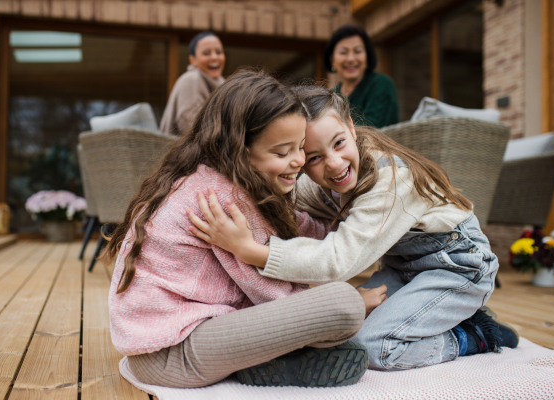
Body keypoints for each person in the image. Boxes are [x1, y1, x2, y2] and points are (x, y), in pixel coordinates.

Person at [188, 85, 519, 373]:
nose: (333, 163)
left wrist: (248, 250)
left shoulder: (390, 181)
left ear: (351, 126)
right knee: (348, 328)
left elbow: (338, 261)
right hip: (404, 270)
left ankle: (473, 333)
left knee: (376, 346)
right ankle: (441, 315)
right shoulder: (321, 184)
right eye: (314, 157)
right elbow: (280, 192)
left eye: (338, 143)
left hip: (458, 267)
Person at [105, 71, 388, 389]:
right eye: (282, 153)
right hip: (175, 352)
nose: (298, 161)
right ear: (239, 150)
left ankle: (266, 364)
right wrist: (347, 304)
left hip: (170, 342)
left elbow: (296, 228)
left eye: (300, 148)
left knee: (332, 305)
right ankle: (269, 360)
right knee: (343, 303)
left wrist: (346, 227)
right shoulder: (223, 200)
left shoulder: (214, 179)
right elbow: (271, 295)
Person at [325, 24, 399, 128]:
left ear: (367, 57)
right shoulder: (331, 96)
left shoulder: (381, 84)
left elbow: (370, 130)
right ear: (332, 60)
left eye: (358, 51)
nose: (351, 58)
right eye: (343, 52)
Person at [160, 32, 226, 135]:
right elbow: (192, 130)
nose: (214, 57)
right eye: (206, 53)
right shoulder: (191, 80)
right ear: (193, 60)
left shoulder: (223, 84)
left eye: (218, 52)